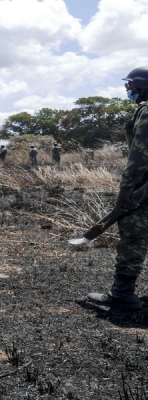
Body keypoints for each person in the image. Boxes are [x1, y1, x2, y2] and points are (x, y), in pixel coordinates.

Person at [87, 66, 148, 310]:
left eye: (129, 86)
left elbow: (139, 156)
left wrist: (125, 191)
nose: (128, 90)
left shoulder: (145, 111)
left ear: (141, 86)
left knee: (133, 239)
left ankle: (122, 294)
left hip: (142, 191)